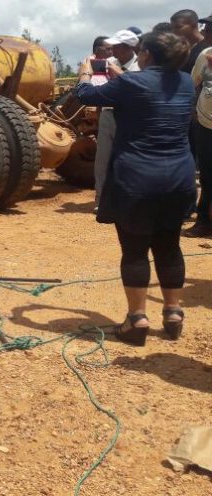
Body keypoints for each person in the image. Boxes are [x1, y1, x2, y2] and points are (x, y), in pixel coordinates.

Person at [73, 31, 195, 345]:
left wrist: (86, 69)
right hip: (179, 179)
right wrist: (121, 75)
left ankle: (137, 318)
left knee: (135, 251)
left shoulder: (131, 84)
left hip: (138, 180)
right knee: (169, 247)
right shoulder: (183, 82)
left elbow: (85, 95)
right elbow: (149, 90)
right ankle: (173, 312)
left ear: (147, 55)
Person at [93, 30, 141, 205]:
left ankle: (131, 200)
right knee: (103, 159)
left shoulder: (141, 65)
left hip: (131, 117)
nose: (112, 50)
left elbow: (137, 89)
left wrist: (119, 73)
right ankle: (101, 200)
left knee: (131, 158)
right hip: (108, 114)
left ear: (127, 48)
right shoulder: (106, 62)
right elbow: (97, 88)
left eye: (116, 46)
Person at [188, 38, 212, 237]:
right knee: (206, 176)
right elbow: (192, 83)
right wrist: (193, 111)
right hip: (206, 125)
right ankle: (204, 221)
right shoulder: (205, 55)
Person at [170, 9, 206, 73]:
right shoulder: (178, 49)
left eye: (178, 27)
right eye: (172, 28)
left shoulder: (207, 48)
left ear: (194, 25)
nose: (173, 31)